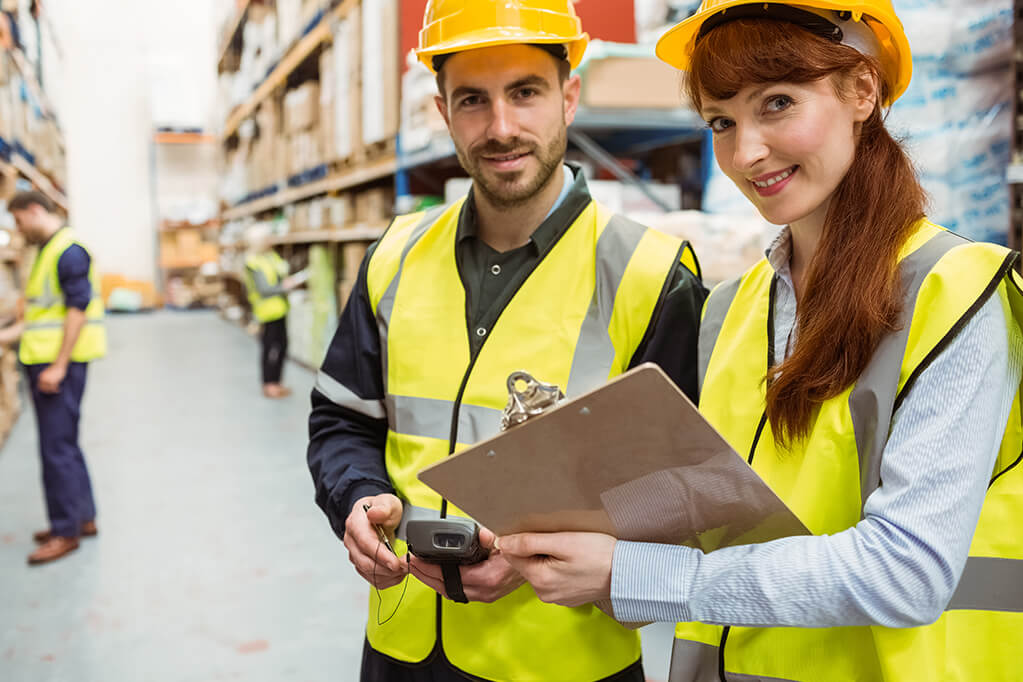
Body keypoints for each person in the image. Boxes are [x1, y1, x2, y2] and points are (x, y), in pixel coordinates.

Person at [498, 1, 1023, 680]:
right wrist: (546, 539)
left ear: (862, 89)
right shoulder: (729, 310)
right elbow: (711, 526)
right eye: (721, 120)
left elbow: (906, 571)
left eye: (776, 103)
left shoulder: (955, 292)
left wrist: (645, 575)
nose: (744, 152)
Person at [306, 1, 707, 679]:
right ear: (441, 111)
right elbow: (341, 421)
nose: (500, 127)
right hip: (403, 645)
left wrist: (538, 556)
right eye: (472, 100)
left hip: (561, 658)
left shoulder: (652, 274)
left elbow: (684, 493)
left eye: (524, 93)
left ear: (567, 97)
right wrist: (357, 498)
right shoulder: (394, 257)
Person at [8, 191, 108, 565]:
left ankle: (65, 531)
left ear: (35, 211)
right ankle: (83, 517)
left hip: (57, 366)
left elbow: (76, 310)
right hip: (47, 359)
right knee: (65, 443)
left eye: (19, 221)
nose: (19, 230)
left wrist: (59, 365)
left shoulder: (68, 249)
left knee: (56, 449)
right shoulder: (49, 248)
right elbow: (40, 315)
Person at [243, 231, 301, 398]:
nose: (271, 240)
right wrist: (285, 287)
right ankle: (269, 384)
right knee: (269, 348)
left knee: (282, 346)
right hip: (267, 311)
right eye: (267, 238)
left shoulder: (271, 257)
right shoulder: (253, 262)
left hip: (280, 308)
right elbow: (264, 289)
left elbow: (280, 272)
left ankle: (277, 382)